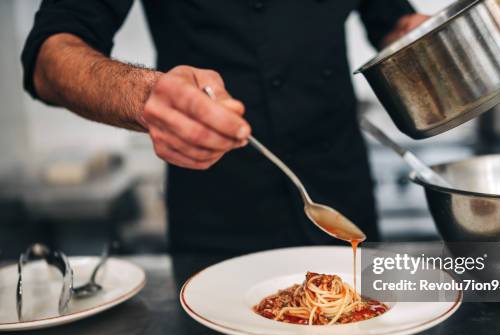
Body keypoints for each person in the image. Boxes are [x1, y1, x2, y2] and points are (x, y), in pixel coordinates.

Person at [22, 1, 428, 260]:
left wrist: (420, 34)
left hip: (341, 199)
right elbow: (49, 58)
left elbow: (388, 18)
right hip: (218, 215)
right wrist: (145, 96)